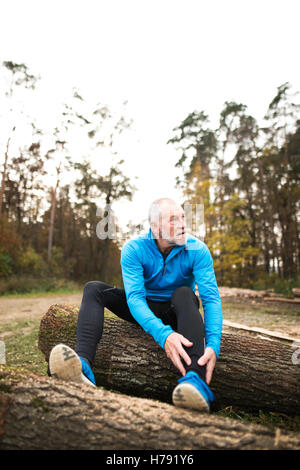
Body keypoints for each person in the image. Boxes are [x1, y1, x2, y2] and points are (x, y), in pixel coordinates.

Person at [49, 197, 223, 412]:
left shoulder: (197, 249)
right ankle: (83, 366)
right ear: (155, 226)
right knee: (93, 288)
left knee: (186, 293)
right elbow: (135, 299)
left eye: (183, 217)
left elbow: (211, 299)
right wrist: (163, 335)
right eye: (173, 219)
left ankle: (195, 378)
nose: (182, 224)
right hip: (142, 310)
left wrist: (213, 344)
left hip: (176, 310)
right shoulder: (133, 249)